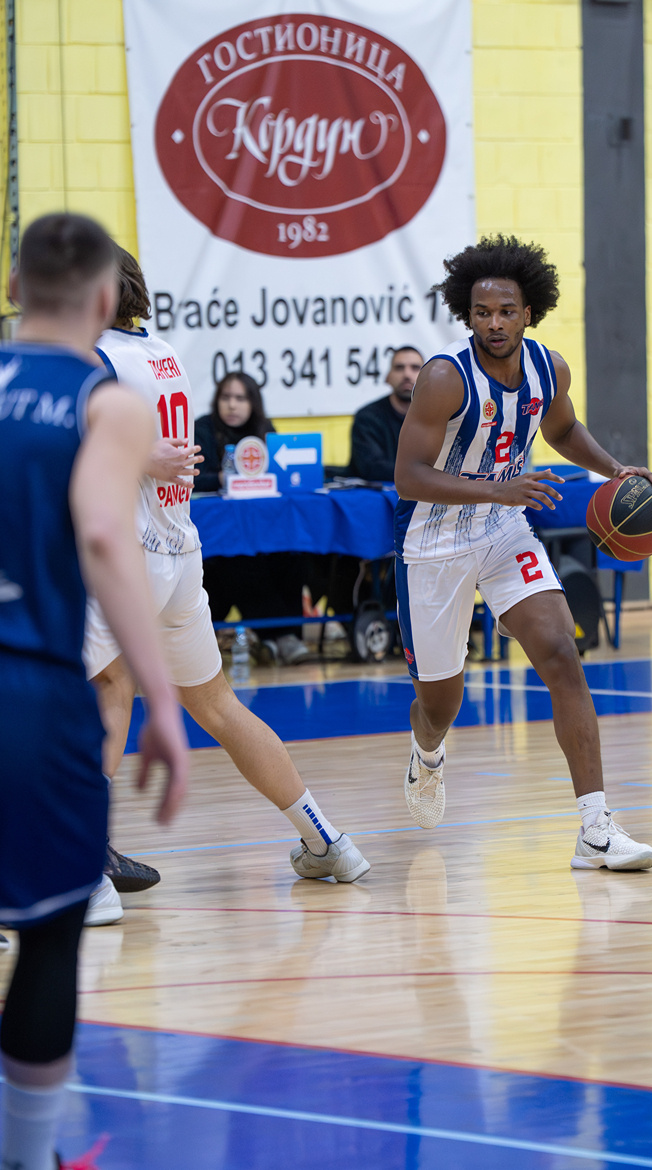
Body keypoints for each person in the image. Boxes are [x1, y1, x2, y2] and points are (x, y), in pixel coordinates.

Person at [85, 247, 370, 899]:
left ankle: (83, 868)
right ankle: (326, 839)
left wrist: (136, 456)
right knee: (216, 704)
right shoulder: (161, 352)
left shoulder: (95, 360)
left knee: (104, 690)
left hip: (130, 557)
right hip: (178, 557)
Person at [0, 212, 189, 1170]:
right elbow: (107, 537)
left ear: (14, 288)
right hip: (28, 690)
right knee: (48, 933)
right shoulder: (103, 401)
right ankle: (27, 1156)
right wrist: (161, 700)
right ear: (109, 299)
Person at [394, 235, 652, 871]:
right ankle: (427, 752)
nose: (494, 323)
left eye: (506, 311)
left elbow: (562, 428)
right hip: (434, 541)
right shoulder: (444, 378)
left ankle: (595, 830)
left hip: (503, 528)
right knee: (440, 704)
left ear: (528, 312)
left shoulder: (550, 369)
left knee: (560, 652)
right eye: (482, 312)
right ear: (467, 314)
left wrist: (615, 470)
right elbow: (408, 477)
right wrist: (500, 486)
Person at [195, 373, 309, 666]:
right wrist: (222, 479)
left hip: (263, 528)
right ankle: (281, 637)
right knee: (239, 560)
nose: (232, 405)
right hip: (218, 536)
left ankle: (278, 637)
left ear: (253, 403)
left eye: (240, 398)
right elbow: (192, 478)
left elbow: (278, 477)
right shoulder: (202, 429)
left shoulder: (265, 431)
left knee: (291, 556)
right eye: (226, 397)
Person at [348, 346, 423, 481]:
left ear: (428, 378)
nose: (407, 374)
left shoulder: (440, 418)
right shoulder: (367, 418)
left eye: (415, 368)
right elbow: (371, 468)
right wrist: (424, 474)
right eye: (399, 368)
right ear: (387, 377)